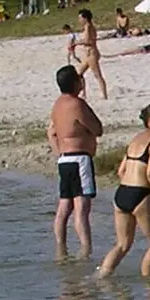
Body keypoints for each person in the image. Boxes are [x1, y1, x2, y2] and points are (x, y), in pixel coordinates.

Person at [97, 104, 150, 278]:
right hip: (139, 194)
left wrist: (131, 186)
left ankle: (100, 279)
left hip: (122, 193)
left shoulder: (136, 139)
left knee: (122, 245)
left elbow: (121, 171)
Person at [48, 64, 103, 256]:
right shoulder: (77, 104)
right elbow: (97, 129)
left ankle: (61, 249)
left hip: (64, 159)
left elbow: (51, 133)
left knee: (64, 206)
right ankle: (86, 250)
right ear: (74, 82)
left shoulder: (57, 105)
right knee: (82, 208)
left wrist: (59, 151)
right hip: (79, 159)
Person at [69, 9, 108, 100]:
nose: (79, 20)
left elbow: (88, 41)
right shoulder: (88, 27)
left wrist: (76, 43)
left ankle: (104, 95)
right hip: (87, 55)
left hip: (91, 54)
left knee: (97, 75)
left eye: (80, 18)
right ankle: (83, 93)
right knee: (79, 74)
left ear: (85, 18)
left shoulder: (88, 27)